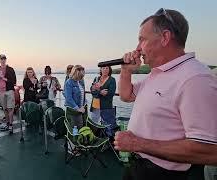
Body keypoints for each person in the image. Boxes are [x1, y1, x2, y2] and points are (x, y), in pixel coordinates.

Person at [114, 8, 217, 180]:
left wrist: (137, 143)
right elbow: (126, 95)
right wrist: (126, 71)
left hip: (164, 174)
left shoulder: (195, 78)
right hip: (138, 165)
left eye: (142, 40)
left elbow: (210, 151)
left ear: (165, 37)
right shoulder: (159, 73)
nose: (137, 49)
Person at [0, 53, 16, 134]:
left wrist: (4, 79)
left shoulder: (10, 69)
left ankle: (11, 125)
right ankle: (7, 123)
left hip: (9, 91)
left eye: (4, 58)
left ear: (6, 59)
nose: (3, 60)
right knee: (5, 109)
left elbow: (14, 81)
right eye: (1, 58)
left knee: (10, 108)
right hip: (0, 91)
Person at [90, 66, 117, 138]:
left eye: (107, 68)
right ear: (100, 69)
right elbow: (92, 91)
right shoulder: (96, 79)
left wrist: (97, 91)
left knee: (109, 125)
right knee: (94, 124)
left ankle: (109, 141)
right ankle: (94, 139)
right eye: (103, 68)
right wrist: (100, 92)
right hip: (95, 105)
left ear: (109, 70)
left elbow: (110, 94)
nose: (105, 69)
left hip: (106, 106)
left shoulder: (112, 80)